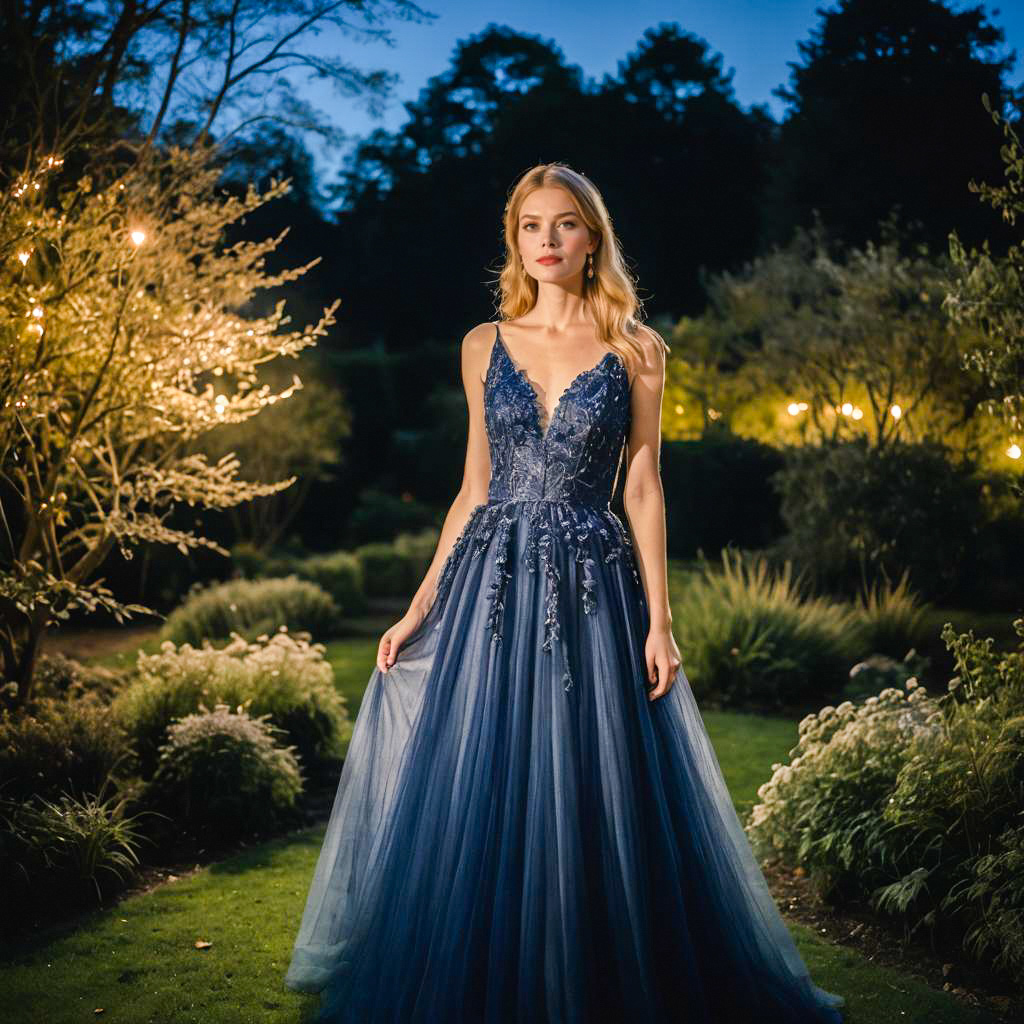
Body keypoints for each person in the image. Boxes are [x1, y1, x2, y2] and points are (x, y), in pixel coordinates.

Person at [283, 162, 846, 1023]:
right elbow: (472, 488)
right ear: (515, 240)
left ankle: (602, 968)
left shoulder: (637, 349)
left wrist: (661, 622)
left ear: (594, 238)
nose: (547, 241)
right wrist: (418, 604)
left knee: (596, 773)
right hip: (490, 584)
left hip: (592, 586)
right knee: (485, 767)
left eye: (566, 225)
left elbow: (646, 485)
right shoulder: (483, 344)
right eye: (531, 226)